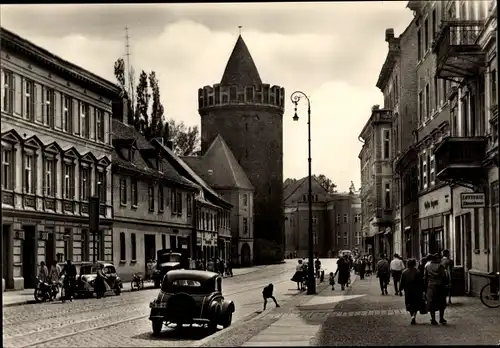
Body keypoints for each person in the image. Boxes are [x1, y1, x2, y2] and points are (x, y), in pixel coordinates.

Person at [424, 253, 449, 325]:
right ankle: (441, 318)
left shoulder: (427, 267)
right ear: (437, 259)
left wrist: (425, 288)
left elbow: (425, 278)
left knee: (432, 302)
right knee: (441, 302)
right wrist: (446, 283)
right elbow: (444, 277)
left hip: (431, 286)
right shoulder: (440, 266)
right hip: (440, 286)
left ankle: (433, 319)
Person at [400, 258, 424, 325]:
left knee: (409, 304)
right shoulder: (417, 271)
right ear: (414, 264)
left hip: (407, 291)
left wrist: (400, 290)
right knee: (415, 304)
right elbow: (421, 282)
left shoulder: (404, 272)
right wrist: (423, 290)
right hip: (416, 291)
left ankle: (412, 316)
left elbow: (402, 282)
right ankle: (414, 316)